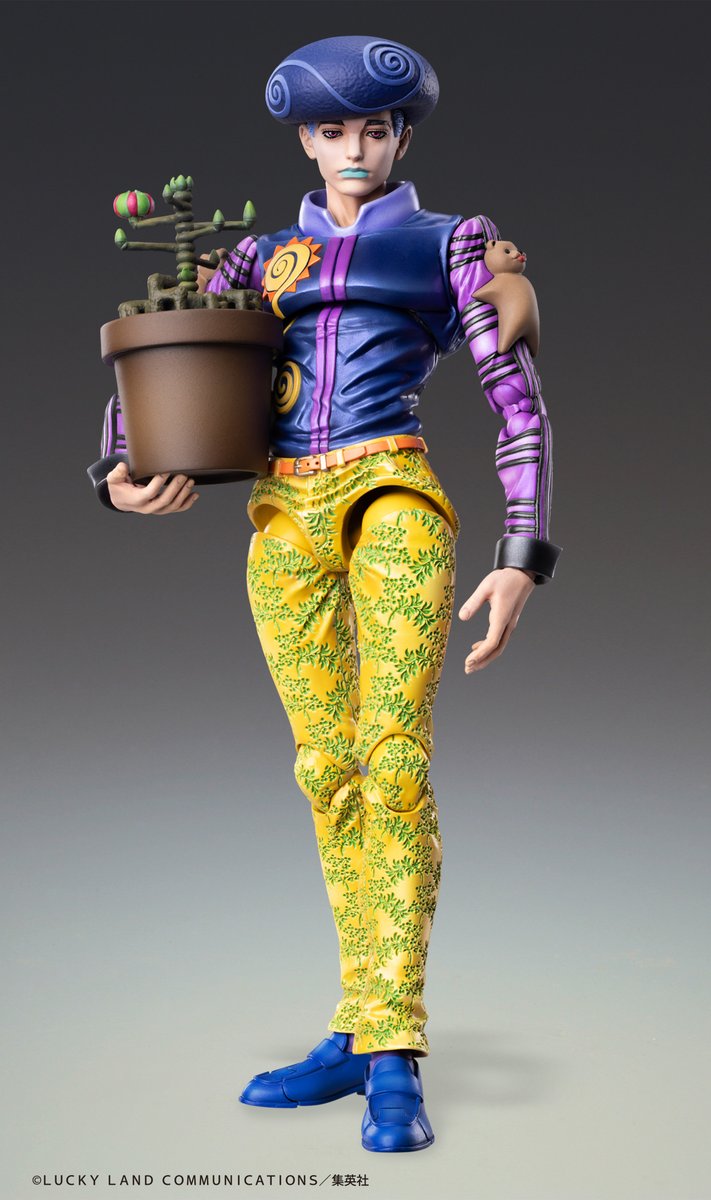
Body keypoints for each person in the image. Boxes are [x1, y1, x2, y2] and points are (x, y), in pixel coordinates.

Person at [87, 35, 561, 1154]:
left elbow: (516, 399)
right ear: (304, 138)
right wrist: (117, 467)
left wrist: (522, 551)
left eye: (375, 129)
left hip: (393, 494)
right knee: (324, 769)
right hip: (284, 512)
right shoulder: (258, 259)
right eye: (334, 129)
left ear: (401, 136)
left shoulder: (450, 244)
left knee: (393, 763)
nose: (355, 149)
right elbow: (163, 348)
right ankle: (357, 1026)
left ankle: (394, 1043)